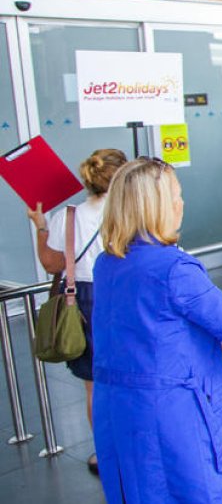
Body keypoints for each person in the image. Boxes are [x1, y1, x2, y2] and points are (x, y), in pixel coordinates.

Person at [91, 157, 222, 504]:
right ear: (156, 206)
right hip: (169, 408)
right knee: (185, 491)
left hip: (117, 405)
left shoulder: (107, 263)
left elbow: (147, 326)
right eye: (175, 195)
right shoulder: (174, 268)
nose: (182, 202)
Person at [25, 148, 127, 476]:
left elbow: (52, 264)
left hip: (84, 300)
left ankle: (107, 454)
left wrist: (41, 227)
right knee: (133, 377)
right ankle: (137, 446)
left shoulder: (68, 216)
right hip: (125, 295)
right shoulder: (129, 213)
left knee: (94, 386)